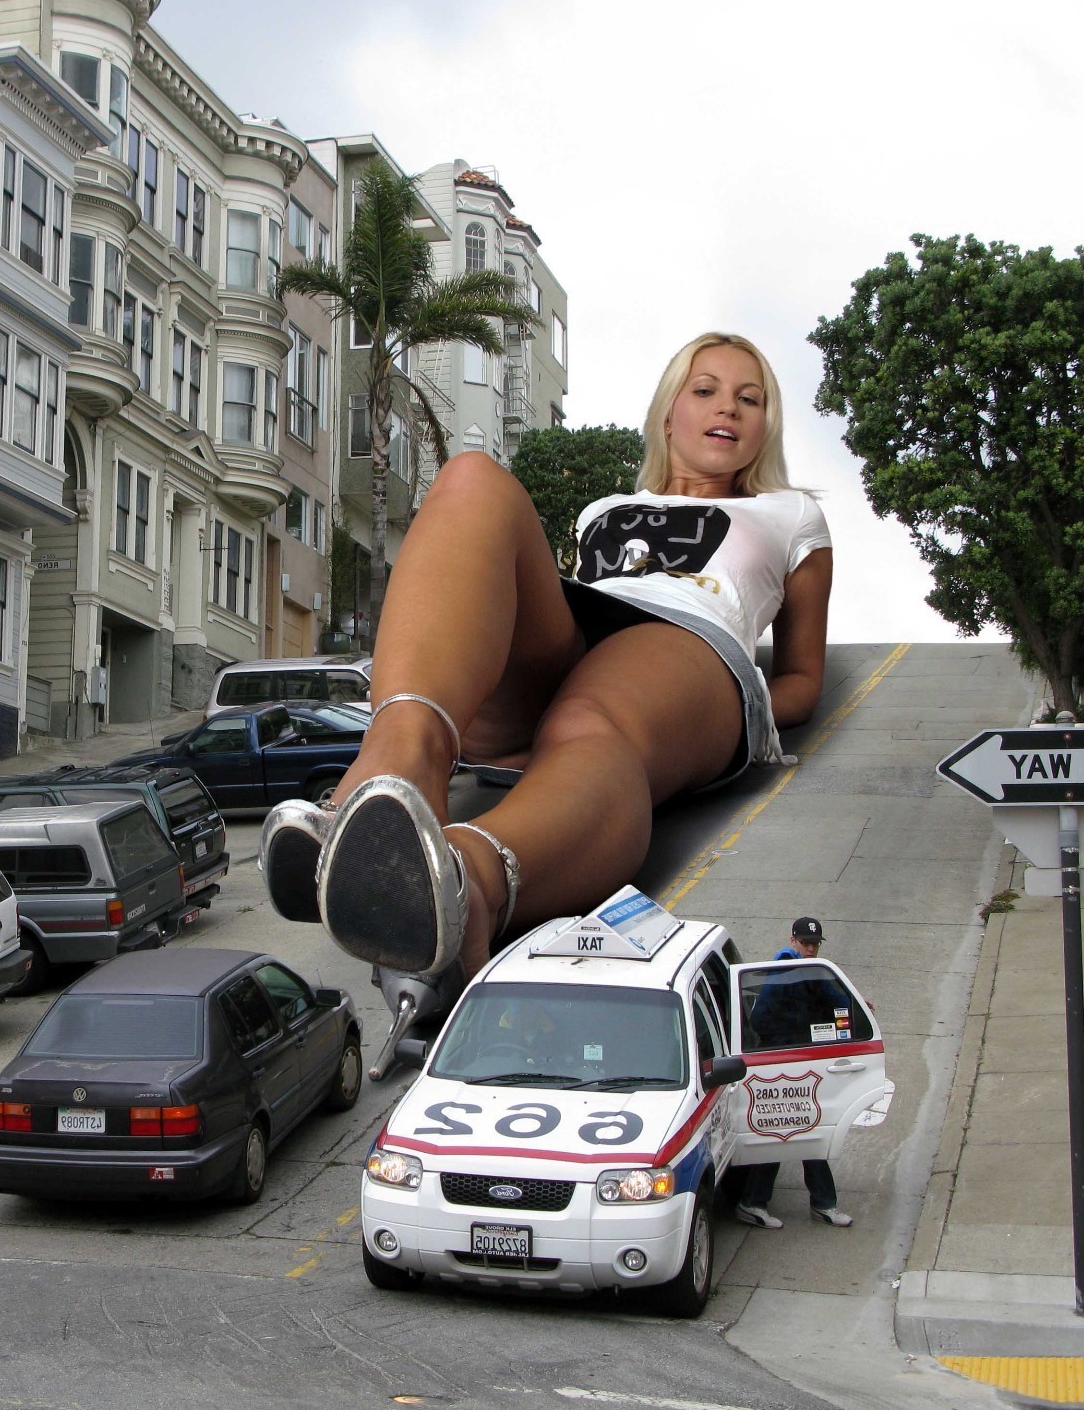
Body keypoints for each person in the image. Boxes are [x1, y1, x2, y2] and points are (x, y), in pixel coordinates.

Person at [260, 332, 833, 978]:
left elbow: (804, 676)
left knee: (590, 717)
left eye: (749, 399)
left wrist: (744, 712)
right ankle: (390, 776)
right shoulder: (605, 511)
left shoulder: (791, 516)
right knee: (472, 478)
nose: (727, 408)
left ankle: (466, 883)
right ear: (669, 414)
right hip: (586, 626)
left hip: (691, 643)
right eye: (706, 391)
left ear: (767, 426)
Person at [736, 916, 854, 1229]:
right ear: (793, 941)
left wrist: (854, 1006)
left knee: (797, 1133)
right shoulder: (784, 972)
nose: (811, 949)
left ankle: (770, 1201)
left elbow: (830, 997)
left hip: (795, 1069)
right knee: (788, 1133)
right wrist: (792, 1048)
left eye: (815, 944)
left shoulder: (805, 970)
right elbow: (761, 1021)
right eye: (806, 943)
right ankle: (763, 1202)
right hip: (782, 1070)